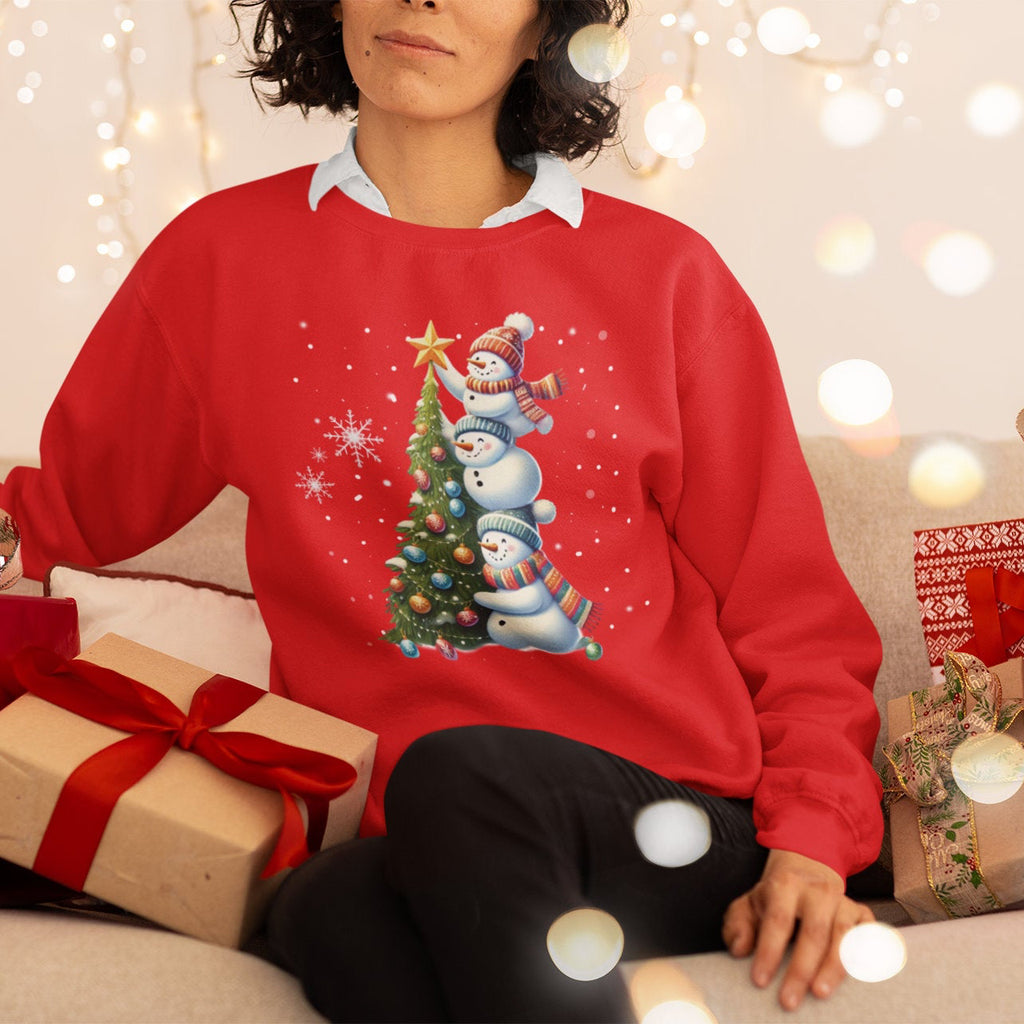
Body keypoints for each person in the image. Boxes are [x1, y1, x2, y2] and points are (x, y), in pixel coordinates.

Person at [2, 0, 886, 1019]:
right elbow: (54, 514)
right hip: (417, 846)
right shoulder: (221, 260)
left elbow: (798, 619)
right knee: (328, 906)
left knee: (457, 774)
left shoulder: (667, 278)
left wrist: (812, 841)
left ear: (544, 27)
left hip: (671, 822)